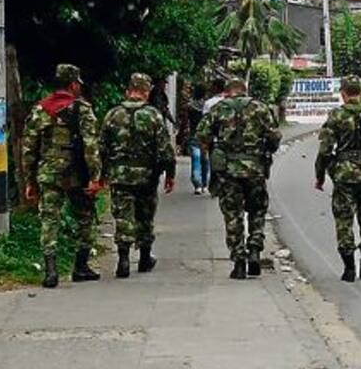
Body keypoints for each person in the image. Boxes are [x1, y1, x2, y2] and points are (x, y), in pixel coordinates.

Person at [21, 63, 103, 288]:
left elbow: (28, 148)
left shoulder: (41, 109)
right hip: (76, 173)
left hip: (48, 174)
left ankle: (50, 272)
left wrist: (29, 181)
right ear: (73, 84)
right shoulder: (83, 109)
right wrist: (96, 177)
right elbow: (91, 146)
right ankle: (80, 266)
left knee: (49, 219)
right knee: (85, 217)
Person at [197, 76, 282, 280]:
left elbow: (202, 136)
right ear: (245, 90)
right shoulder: (260, 108)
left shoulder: (218, 109)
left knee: (233, 215)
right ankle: (254, 248)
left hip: (228, 171)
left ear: (227, 92)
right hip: (255, 168)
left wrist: (214, 150)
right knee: (257, 210)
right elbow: (274, 136)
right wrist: (266, 151)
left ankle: (239, 262)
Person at [100, 73, 177, 278]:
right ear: (147, 91)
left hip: (119, 175)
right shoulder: (153, 115)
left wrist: (101, 173)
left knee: (123, 216)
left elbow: (102, 147)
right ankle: (144, 257)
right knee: (145, 216)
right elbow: (164, 150)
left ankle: (123, 259)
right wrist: (170, 174)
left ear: (128, 90)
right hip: (146, 175)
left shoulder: (112, 115)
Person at [314, 78, 361, 283]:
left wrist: (320, 176)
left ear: (344, 93)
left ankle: (349, 268)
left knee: (344, 220)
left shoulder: (337, 115)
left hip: (344, 175)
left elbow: (325, 150)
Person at [186, 85, 210, 194]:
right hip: (205, 135)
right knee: (205, 159)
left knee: (196, 159)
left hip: (193, 134)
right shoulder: (207, 105)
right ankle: (205, 184)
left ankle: (197, 184)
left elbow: (185, 121)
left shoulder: (189, 106)